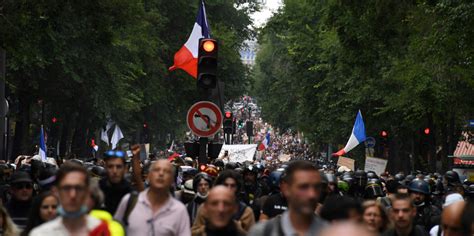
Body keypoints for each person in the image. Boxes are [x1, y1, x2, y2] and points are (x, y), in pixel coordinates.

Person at [30, 162, 112, 235]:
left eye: (79, 188)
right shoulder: (40, 233)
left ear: (87, 192)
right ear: (56, 192)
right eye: (66, 188)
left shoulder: (100, 230)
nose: (73, 195)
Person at [248, 160, 327, 236]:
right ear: (285, 188)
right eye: (303, 187)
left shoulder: (332, 232)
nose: (312, 194)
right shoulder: (262, 232)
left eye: (317, 187)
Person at [114, 159, 191, 236]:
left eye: (166, 171)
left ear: (172, 180)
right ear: (149, 176)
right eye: (156, 170)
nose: (161, 174)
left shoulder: (179, 210)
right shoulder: (129, 201)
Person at [99, 150, 134, 214]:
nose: (114, 171)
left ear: (125, 169)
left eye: (118, 167)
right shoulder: (96, 190)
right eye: (110, 167)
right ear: (105, 168)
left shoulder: (131, 193)